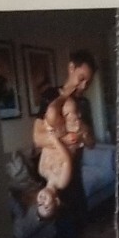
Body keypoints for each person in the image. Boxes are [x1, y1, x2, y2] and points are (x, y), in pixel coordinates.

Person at [30, 51, 97, 223]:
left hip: (74, 173)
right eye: (81, 78)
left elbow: (91, 143)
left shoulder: (84, 104)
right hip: (56, 165)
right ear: (71, 68)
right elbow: (37, 138)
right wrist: (64, 139)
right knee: (61, 225)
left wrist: (84, 132)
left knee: (81, 220)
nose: (84, 86)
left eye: (88, 82)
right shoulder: (50, 95)